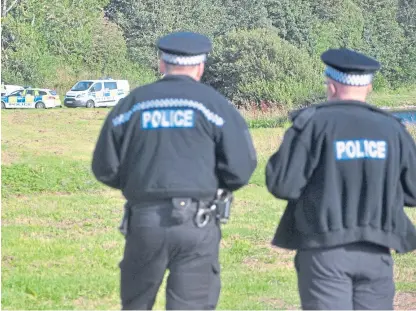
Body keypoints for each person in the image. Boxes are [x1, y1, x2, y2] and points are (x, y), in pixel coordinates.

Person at [91, 31, 257, 310]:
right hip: (198, 222)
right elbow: (240, 169)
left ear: (161, 64)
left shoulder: (133, 104)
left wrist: (140, 185)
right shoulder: (215, 106)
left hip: (145, 221)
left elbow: (104, 166)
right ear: (200, 67)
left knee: (135, 305)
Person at [265, 48, 416, 310]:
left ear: (331, 86)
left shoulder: (312, 124)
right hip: (377, 251)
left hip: (324, 251)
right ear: (368, 86)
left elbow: (282, 184)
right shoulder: (393, 129)